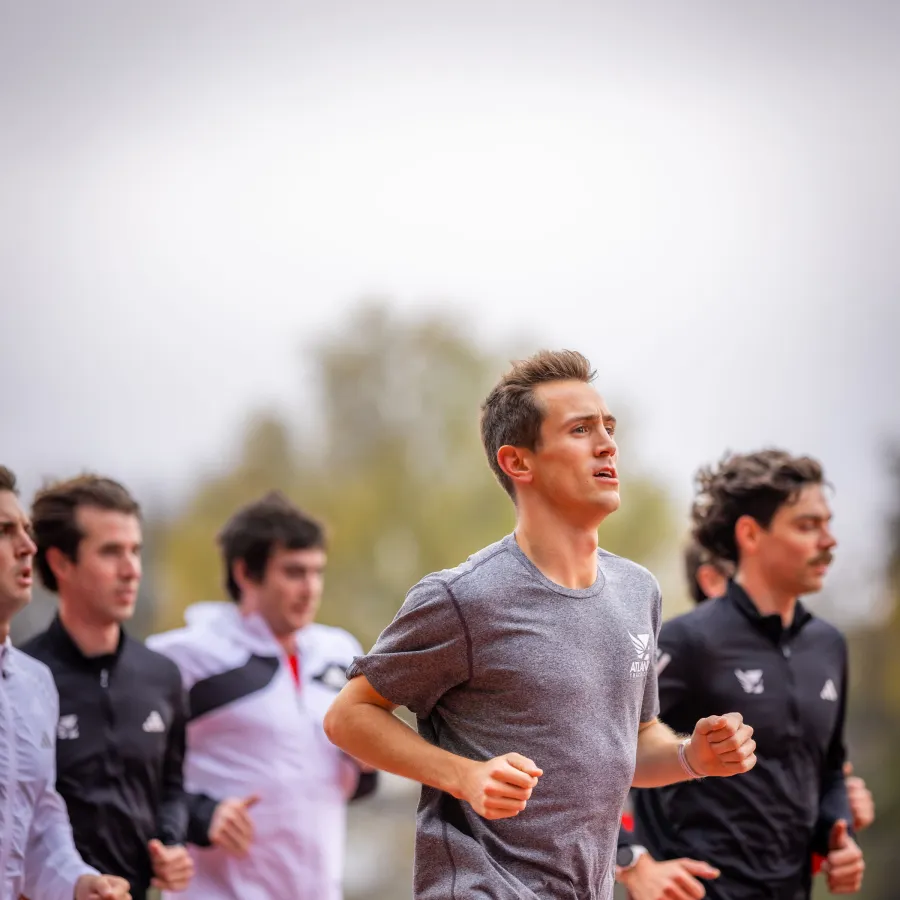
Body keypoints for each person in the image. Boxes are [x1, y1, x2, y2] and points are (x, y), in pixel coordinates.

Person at [324, 350, 757, 900]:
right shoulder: (463, 597)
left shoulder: (637, 591)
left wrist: (691, 757)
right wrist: (465, 776)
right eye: (581, 430)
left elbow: (633, 741)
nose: (607, 445)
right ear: (518, 462)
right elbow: (348, 717)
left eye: (608, 428)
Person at [623, 450, 866, 899]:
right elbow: (598, 752)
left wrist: (840, 836)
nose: (829, 540)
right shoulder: (687, 641)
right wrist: (633, 862)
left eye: (827, 524)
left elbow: (830, 771)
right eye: (807, 525)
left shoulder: (829, 645)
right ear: (751, 534)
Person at [147, 491, 378, 900]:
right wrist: (202, 815)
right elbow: (125, 772)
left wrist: (367, 765)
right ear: (245, 573)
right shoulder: (182, 656)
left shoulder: (339, 650)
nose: (310, 589)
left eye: (317, 572)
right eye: (293, 572)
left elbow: (355, 782)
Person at [20, 475, 194, 900]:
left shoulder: (163, 676)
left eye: (135, 550)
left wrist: (170, 845)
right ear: (61, 563)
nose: (132, 569)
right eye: (111, 552)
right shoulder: (21, 679)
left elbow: (172, 788)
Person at [0, 465, 132, 900]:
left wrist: (78, 881)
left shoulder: (34, 685)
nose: (28, 547)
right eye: (5, 530)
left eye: (27, 530)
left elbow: (37, 826)